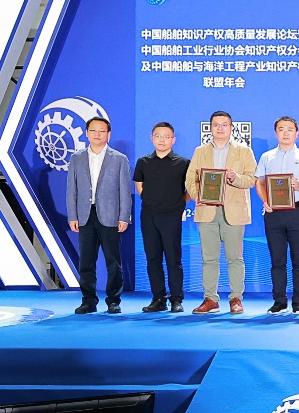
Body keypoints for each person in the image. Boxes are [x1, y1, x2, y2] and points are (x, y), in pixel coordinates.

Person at [185, 111, 257, 315]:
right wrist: (198, 195)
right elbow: (190, 178)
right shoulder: (200, 151)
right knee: (209, 258)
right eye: (216, 124)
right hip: (207, 210)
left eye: (224, 124)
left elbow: (252, 179)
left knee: (235, 258)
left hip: (234, 211)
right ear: (210, 127)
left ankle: (236, 298)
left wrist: (236, 178)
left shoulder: (244, 151)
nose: (220, 128)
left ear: (231, 127)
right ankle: (210, 299)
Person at [67, 116, 134, 314]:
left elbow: (125, 191)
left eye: (102, 131)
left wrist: (124, 216)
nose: (97, 134)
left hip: (111, 216)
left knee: (113, 262)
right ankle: (88, 300)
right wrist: (72, 215)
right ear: (86, 133)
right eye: (93, 130)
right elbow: (71, 190)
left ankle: (113, 300)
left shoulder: (120, 159)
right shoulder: (77, 158)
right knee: (86, 262)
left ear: (108, 134)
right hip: (85, 216)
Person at [253, 116, 299, 315]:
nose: (285, 133)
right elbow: (259, 182)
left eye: (290, 129)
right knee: (277, 260)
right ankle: (279, 301)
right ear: (276, 133)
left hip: (297, 212)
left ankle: (298, 302)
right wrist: (265, 200)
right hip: (273, 214)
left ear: (297, 133)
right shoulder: (267, 157)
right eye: (281, 129)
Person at [133, 121, 189, 313]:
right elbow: (139, 185)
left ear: (173, 140)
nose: (162, 140)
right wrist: (151, 201)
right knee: (153, 259)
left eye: (166, 136)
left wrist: (179, 205)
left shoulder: (183, 163)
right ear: (152, 138)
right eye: (158, 136)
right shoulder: (143, 162)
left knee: (174, 260)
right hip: (149, 216)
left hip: (172, 216)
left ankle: (176, 300)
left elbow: (190, 188)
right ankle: (158, 299)